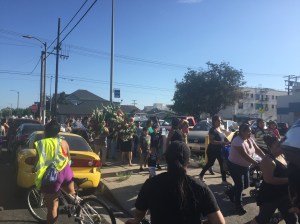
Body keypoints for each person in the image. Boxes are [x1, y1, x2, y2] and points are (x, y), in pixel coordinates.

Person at [125, 141, 225, 224]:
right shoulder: (200, 187)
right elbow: (219, 222)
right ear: (188, 163)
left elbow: (138, 214)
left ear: (166, 159)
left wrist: (136, 220)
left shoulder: (151, 184)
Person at [33, 119, 75, 224]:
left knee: (52, 207)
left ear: (46, 131)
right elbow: (68, 158)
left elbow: (37, 162)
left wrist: (34, 168)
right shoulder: (64, 142)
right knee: (72, 195)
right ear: (57, 132)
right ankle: (81, 212)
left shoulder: (40, 144)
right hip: (66, 171)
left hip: (53, 176)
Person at [250, 135, 298, 224]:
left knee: (292, 220)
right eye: (278, 146)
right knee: (262, 220)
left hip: (284, 195)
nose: (281, 147)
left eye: (280, 145)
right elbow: (269, 180)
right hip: (270, 196)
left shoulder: (283, 156)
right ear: (270, 148)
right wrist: (289, 180)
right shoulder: (267, 160)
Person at [225, 123, 265, 215]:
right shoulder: (237, 141)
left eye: (250, 131)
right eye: (248, 131)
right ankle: (238, 207)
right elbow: (245, 156)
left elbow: (257, 149)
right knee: (239, 186)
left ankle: (230, 192)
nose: (250, 133)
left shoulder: (250, 139)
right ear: (242, 132)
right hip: (234, 166)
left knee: (246, 185)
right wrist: (257, 163)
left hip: (245, 166)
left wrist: (266, 157)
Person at [199, 115, 230, 184]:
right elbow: (212, 141)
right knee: (210, 163)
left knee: (222, 164)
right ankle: (201, 175)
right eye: (218, 120)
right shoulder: (212, 130)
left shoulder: (220, 128)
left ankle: (224, 181)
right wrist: (222, 142)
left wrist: (229, 142)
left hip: (220, 150)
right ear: (214, 121)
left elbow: (224, 137)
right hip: (212, 150)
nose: (220, 122)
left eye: (220, 120)